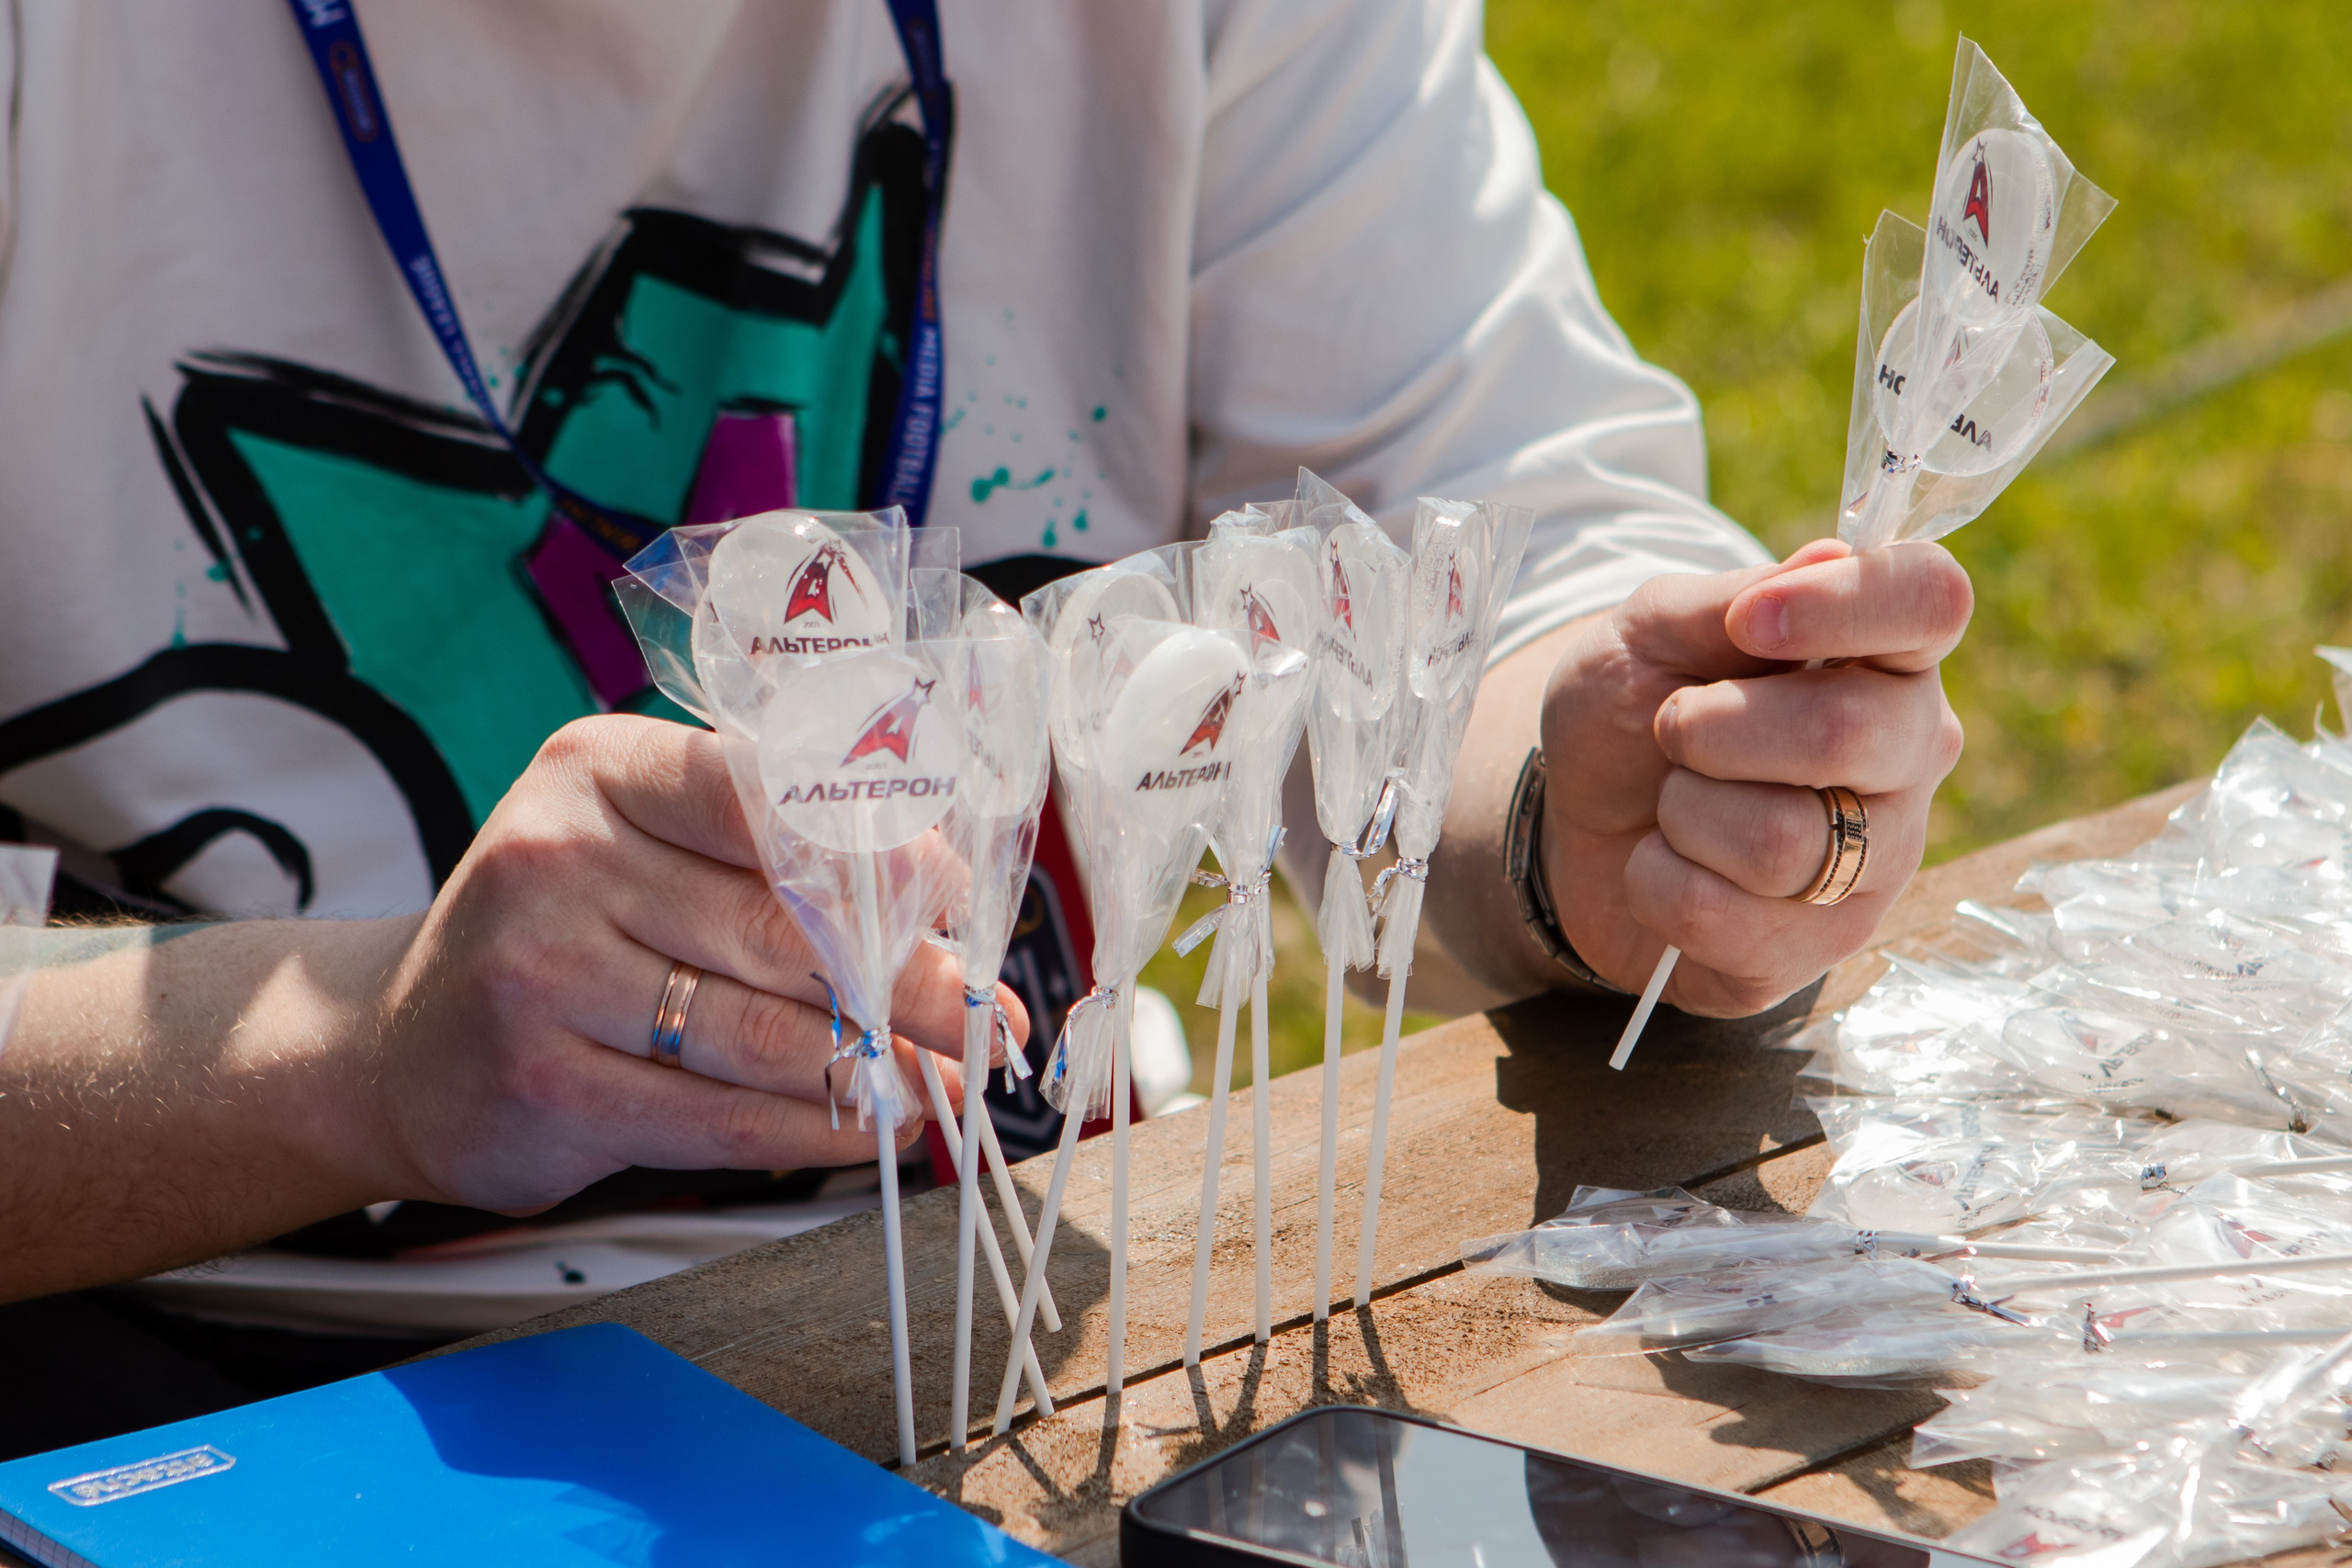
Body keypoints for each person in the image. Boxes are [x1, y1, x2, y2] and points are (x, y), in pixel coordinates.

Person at [0, 1, 1965, 1366]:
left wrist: (1595, 809)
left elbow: (1500, 559)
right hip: (223, 1381)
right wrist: (364, 1056)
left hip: (1047, 1297)